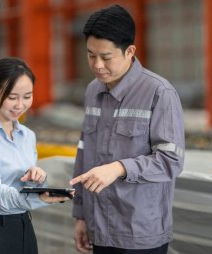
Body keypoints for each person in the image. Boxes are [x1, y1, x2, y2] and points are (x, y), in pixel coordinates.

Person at [69, 4, 185, 254]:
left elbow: (171, 160)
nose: (97, 65)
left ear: (130, 51)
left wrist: (120, 168)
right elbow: (83, 154)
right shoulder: (92, 91)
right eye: (91, 55)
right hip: (98, 229)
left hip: (140, 234)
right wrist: (81, 215)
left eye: (106, 57)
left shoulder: (159, 93)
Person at [0, 57, 71, 254]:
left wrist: (40, 180)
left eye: (27, 96)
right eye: (12, 97)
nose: (20, 105)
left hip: (23, 227)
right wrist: (39, 200)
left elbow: (27, 188)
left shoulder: (27, 136)